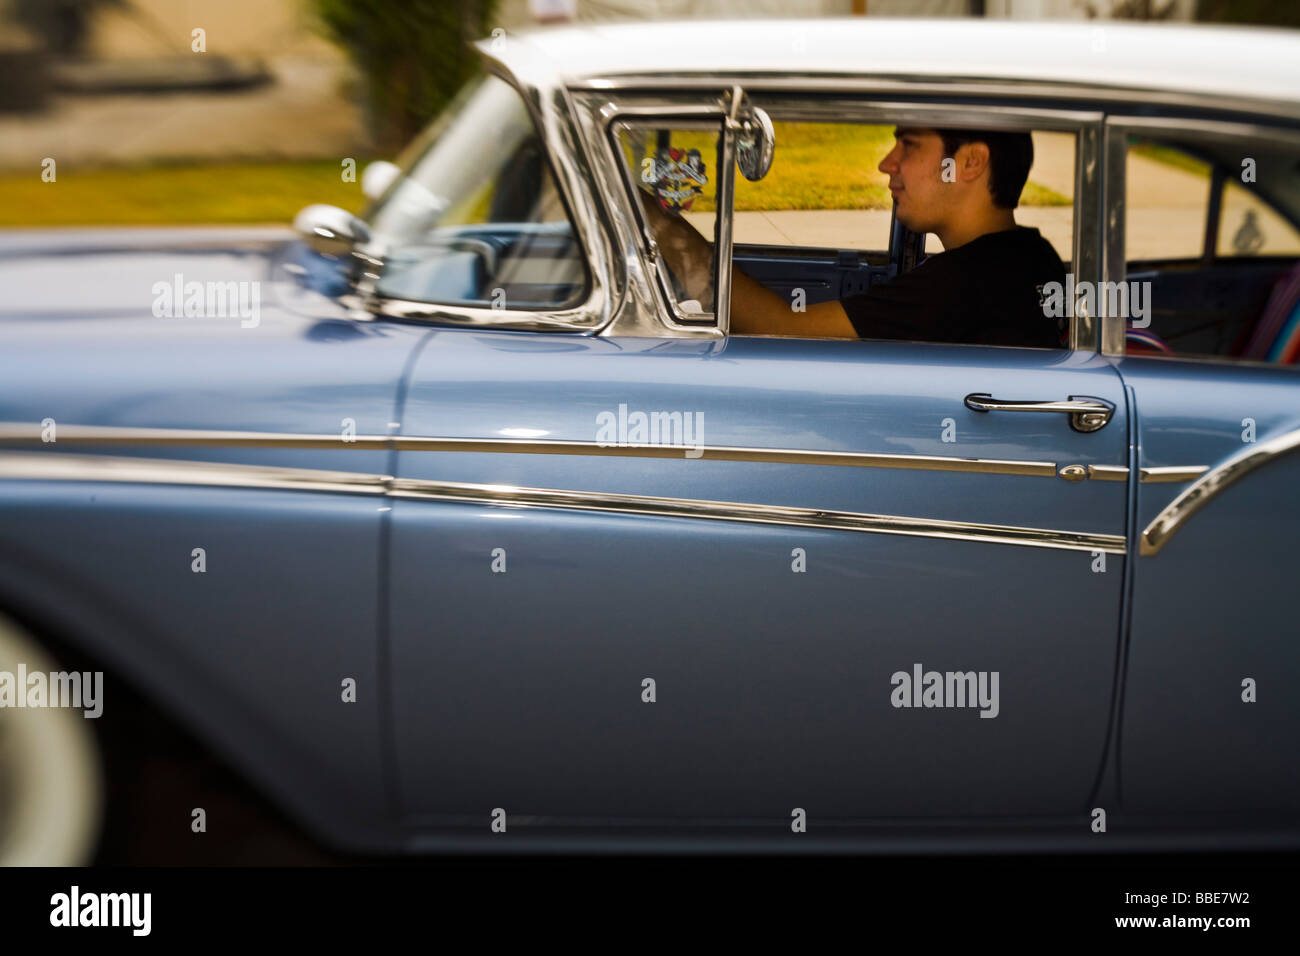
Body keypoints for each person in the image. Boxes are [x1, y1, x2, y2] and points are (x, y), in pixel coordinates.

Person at [639, 126, 1067, 347]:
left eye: (910, 145)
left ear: (969, 162)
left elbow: (784, 330)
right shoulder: (1028, 256)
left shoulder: (970, 281)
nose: (887, 163)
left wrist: (660, 228)